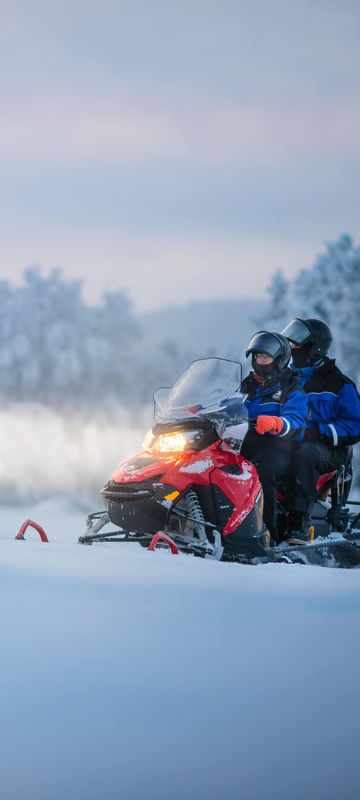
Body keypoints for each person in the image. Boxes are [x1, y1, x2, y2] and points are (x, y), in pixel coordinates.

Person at [281, 317, 360, 543]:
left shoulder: (338, 384)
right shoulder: (284, 378)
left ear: (314, 348)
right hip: (289, 443)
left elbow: (355, 425)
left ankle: (299, 525)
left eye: (295, 345)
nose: (290, 349)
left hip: (329, 450)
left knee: (306, 453)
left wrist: (321, 433)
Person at [240, 331, 307, 544]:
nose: (260, 361)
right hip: (247, 441)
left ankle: (267, 534)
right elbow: (229, 405)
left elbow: (297, 421)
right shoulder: (248, 384)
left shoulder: (290, 386)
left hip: (279, 448)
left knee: (260, 471)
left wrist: (277, 423)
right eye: (257, 356)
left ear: (279, 359)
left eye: (265, 357)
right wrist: (202, 409)